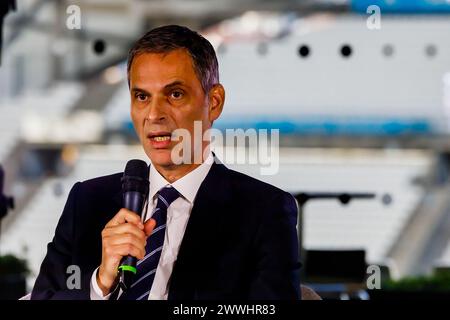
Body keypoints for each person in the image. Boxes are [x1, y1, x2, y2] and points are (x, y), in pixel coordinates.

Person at [31, 25, 301, 300]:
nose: (154, 114)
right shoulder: (87, 201)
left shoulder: (265, 211)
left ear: (215, 102)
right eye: (142, 96)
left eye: (175, 94)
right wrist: (100, 284)